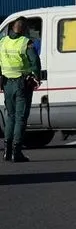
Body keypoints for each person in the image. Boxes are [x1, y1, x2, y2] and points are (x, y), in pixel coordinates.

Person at [0, 16, 42, 163]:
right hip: (21, 84)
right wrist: (36, 77)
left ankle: (7, 150)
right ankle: (16, 152)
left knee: (10, 117)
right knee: (21, 118)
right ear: (23, 29)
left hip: (6, 84)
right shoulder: (25, 43)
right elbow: (35, 62)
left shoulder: (2, 42)